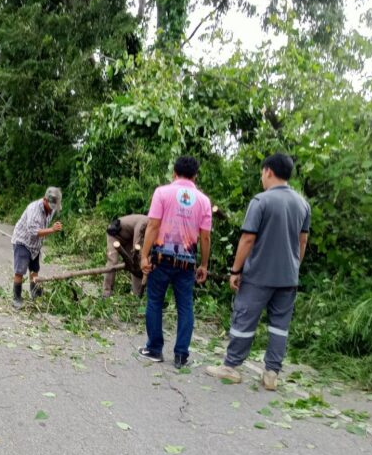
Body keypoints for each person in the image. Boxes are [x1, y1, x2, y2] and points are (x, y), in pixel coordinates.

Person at [206, 153, 310, 391]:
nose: (262, 177)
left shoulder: (261, 201)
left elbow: (248, 238)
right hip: (288, 277)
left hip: (259, 275)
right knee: (279, 326)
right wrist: (294, 266)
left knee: (244, 319)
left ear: (268, 171)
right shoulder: (302, 203)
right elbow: (302, 241)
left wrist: (236, 270)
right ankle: (271, 373)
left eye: (262, 173)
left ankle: (231, 367)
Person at [139, 156, 212, 369]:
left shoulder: (162, 193)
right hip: (187, 263)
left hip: (161, 259)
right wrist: (204, 265)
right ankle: (181, 355)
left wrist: (144, 255)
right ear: (195, 176)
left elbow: (153, 226)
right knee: (185, 306)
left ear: (174, 173)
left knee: (154, 301)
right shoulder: (204, 201)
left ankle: (154, 349)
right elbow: (205, 237)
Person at [11, 187, 63, 309]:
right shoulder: (34, 209)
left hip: (35, 245)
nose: (52, 210)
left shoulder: (52, 208)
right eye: (51, 207)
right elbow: (32, 231)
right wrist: (52, 229)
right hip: (23, 241)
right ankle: (16, 297)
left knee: (35, 270)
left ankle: (35, 293)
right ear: (45, 200)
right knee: (20, 270)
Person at [103, 214, 148, 298]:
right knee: (113, 261)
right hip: (115, 235)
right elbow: (137, 245)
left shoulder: (152, 225)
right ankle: (106, 292)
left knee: (134, 264)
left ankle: (137, 294)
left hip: (127, 238)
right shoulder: (144, 223)